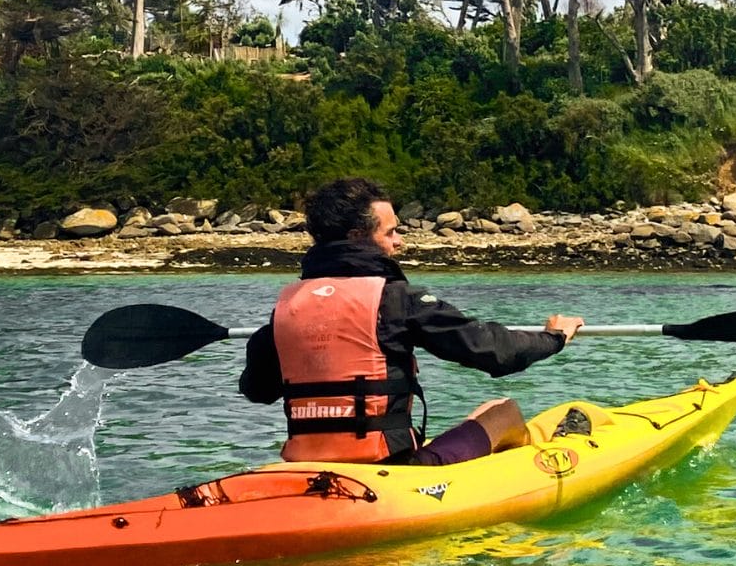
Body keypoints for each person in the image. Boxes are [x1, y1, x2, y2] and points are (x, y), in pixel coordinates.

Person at [239, 177, 583, 466]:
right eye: (390, 233)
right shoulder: (397, 300)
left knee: (476, 415)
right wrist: (554, 337)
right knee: (502, 411)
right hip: (390, 470)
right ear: (359, 237)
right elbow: (494, 351)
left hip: (308, 467)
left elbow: (258, 390)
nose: (399, 241)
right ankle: (521, 475)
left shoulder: (288, 309)